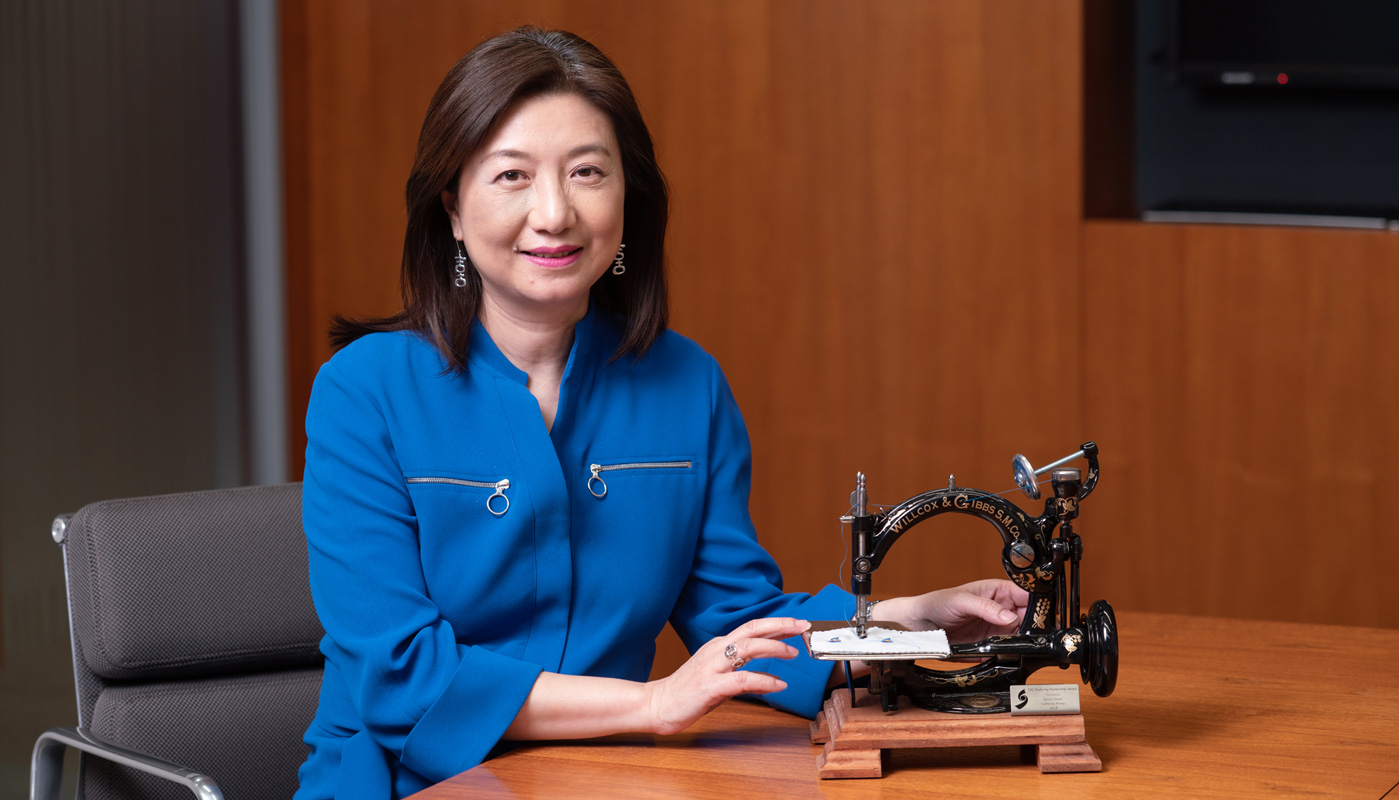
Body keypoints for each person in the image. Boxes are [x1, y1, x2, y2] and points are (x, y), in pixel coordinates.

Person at [295, 26, 1027, 799]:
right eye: (512, 176)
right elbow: (402, 676)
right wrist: (652, 702)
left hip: (598, 780)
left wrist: (904, 622)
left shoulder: (687, 384)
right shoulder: (362, 392)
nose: (554, 213)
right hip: (398, 785)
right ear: (451, 205)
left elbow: (737, 622)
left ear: (626, 201)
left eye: (586, 172)